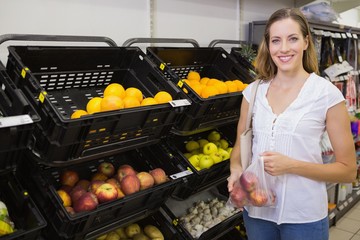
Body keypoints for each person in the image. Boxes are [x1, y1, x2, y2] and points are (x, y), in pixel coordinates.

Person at [227, 7, 357, 240]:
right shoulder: (253, 92)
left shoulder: (326, 95)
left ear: (306, 42)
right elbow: (240, 145)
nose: (284, 48)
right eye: (276, 40)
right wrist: (235, 171)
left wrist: (291, 166)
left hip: (304, 216)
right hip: (257, 211)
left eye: (293, 39)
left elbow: (348, 171)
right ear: (268, 45)